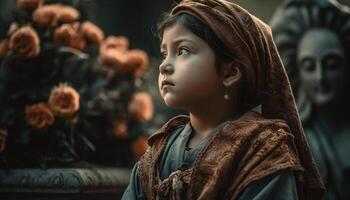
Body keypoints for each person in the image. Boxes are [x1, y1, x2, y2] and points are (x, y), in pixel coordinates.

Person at [122, 0, 324, 199]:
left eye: (183, 51)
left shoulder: (262, 152)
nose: (164, 65)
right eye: (165, 53)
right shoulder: (157, 152)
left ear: (231, 72)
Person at [270, 0, 350, 199]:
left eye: (331, 64)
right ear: (296, 71)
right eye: (309, 66)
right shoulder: (289, 142)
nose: (320, 77)